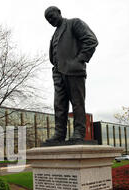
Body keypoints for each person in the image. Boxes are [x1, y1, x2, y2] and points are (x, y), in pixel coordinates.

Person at [43, 6, 98, 144]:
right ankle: (59, 134)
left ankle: (79, 132)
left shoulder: (74, 23)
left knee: (77, 102)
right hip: (58, 73)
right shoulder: (54, 35)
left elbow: (91, 40)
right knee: (59, 105)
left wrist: (79, 60)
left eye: (51, 16)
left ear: (59, 12)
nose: (50, 20)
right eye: (47, 19)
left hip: (74, 71)